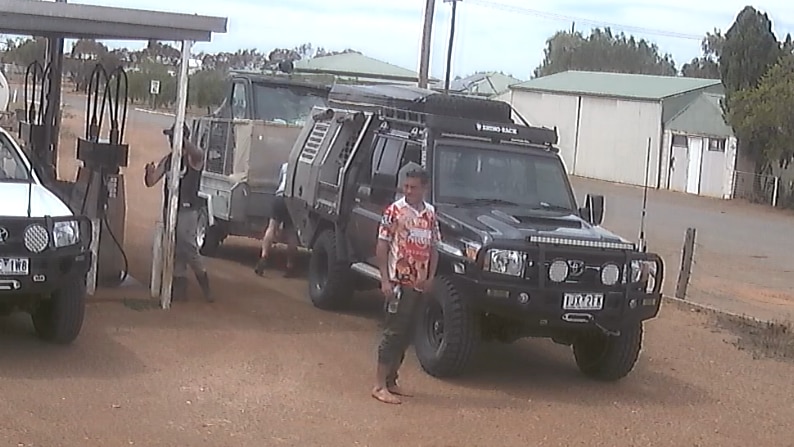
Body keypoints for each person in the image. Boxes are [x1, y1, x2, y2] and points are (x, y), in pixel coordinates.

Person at [371, 168, 440, 405]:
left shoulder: (430, 214)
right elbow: (382, 245)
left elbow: (434, 248)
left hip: (419, 285)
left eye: (413, 187)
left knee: (408, 333)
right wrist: (384, 279)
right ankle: (379, 385)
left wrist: (431, 277)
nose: (408, 190)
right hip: (398, 283)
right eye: (406, 186)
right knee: (392, 333)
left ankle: (392, 380)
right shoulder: (394, 211)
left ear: (425, 188)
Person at [144, 123, 213, 303]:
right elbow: (151, 181)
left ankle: (205, 287)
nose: (169, 141)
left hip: (187, 210)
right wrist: (149, 173)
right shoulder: (168, 160)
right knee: (174, 248)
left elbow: (199, 154)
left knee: (188, 247)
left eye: (171, 137)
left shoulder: (192, 159)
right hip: (171, 209)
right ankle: (179, 288)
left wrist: (183, 142)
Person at [254, 161, 299, 277]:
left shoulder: (285, 165)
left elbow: (280, 182)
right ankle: (290, 266)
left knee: (271, 227)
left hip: (279, 197)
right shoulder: (304, 167)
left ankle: (263, 257)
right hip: (294, 200)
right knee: (291, 232)